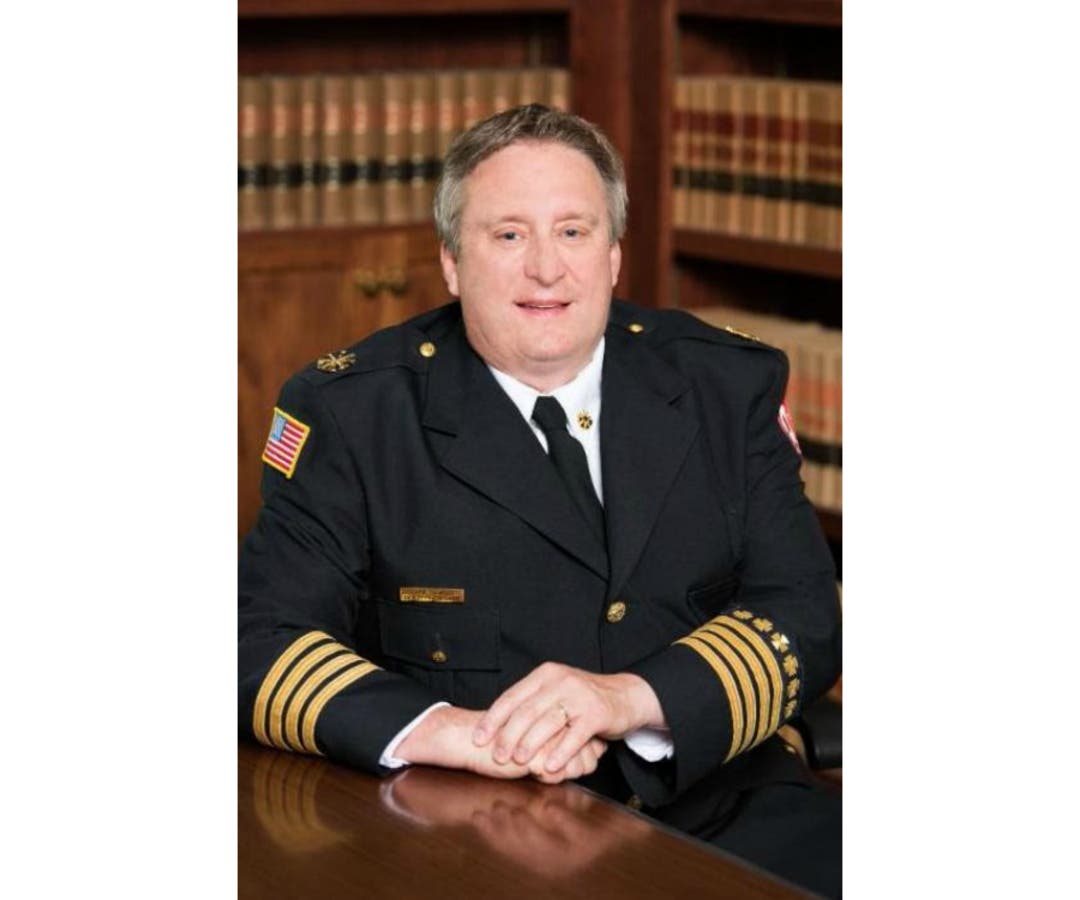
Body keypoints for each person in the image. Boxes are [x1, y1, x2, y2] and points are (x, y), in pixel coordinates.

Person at [239, 104, 842, 897]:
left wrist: (630, 698)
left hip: (726, 797)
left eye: (573, 231)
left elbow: (803, 610)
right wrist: (446, 732)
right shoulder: (356, 413)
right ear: (452, 261)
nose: (547, 269)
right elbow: (255, 639)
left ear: (614, 255)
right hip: (479, 820)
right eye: (509, 235)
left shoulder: (724, 385)